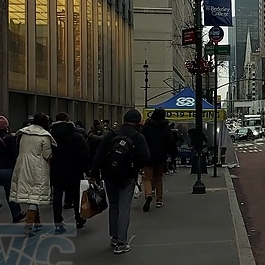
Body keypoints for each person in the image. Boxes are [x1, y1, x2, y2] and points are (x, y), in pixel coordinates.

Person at [91, 109, 150, 254]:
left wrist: (94, 172)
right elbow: (145, 157)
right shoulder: (137, 136)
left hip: (109, 174)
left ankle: (114, 236)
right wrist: (135, 167)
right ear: (137, 121)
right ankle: (121, 242)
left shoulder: (113, 133)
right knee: (124, 208)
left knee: (114, 206)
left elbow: (100, 153)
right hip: (127, 176)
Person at [11, 113, 55, 237]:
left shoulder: (24, 133)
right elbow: (47, 155)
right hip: (37, 167)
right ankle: (28, 225)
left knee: (31, 195)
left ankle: (37, 222)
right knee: (34, 196)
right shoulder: (44, 136)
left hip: (22, 164)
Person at [50, 113, 90, 234]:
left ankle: (58, 222)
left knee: (57, 196)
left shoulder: (51, 136)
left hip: (57, 169)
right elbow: (84, 154)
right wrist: (86, 169)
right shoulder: (76, 136)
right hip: (74, 169)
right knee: (76, 195)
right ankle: (78, 218)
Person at [140, 108, 177, 212]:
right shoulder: (165, 127)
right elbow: (171, 142)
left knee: (147, 178)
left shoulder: (146, 127)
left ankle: (148, 195)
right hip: (161, 156)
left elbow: (141, 140)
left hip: (148, 155)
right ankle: (159, 200)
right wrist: (172, 154)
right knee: (158, 178)